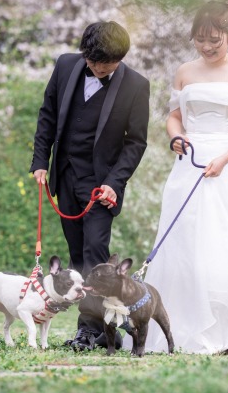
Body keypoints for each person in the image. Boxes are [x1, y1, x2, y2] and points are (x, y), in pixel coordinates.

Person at [139, 2, 228, 355]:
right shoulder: (185, 71)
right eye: (200, 40)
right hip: (190, 162)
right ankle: (181, 329)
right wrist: (175, 137)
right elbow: (175, 117)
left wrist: (225, 159)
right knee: (187, 245)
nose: (207, 46)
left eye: (215, 39)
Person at [30, 21, 150, 351]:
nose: (96, 68)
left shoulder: (137, 86)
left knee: (95, 254)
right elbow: (48, 114)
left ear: (120, 57)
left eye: (105, 64)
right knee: (76, 254)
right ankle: (107, 326)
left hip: (101, 186)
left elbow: (136, 142)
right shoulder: (66, 65)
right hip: (64, 177)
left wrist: (115, 182)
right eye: (92, 62)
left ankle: (91, 330)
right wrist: (41, 161)